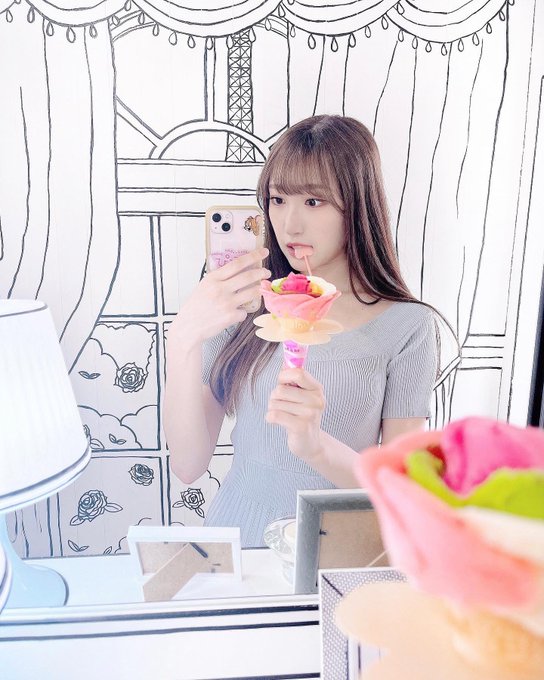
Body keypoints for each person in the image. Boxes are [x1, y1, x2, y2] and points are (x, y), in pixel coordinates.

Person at [163, 115, 439, 547]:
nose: (289, 224)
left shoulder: (407, 326)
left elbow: (401, 495)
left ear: (358, 204)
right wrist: (181, 342)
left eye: (313, 201)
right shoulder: (243, 306)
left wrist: (314, 446)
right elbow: (187, 464)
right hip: (238, 542)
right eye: (277, 199)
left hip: (335, 551)